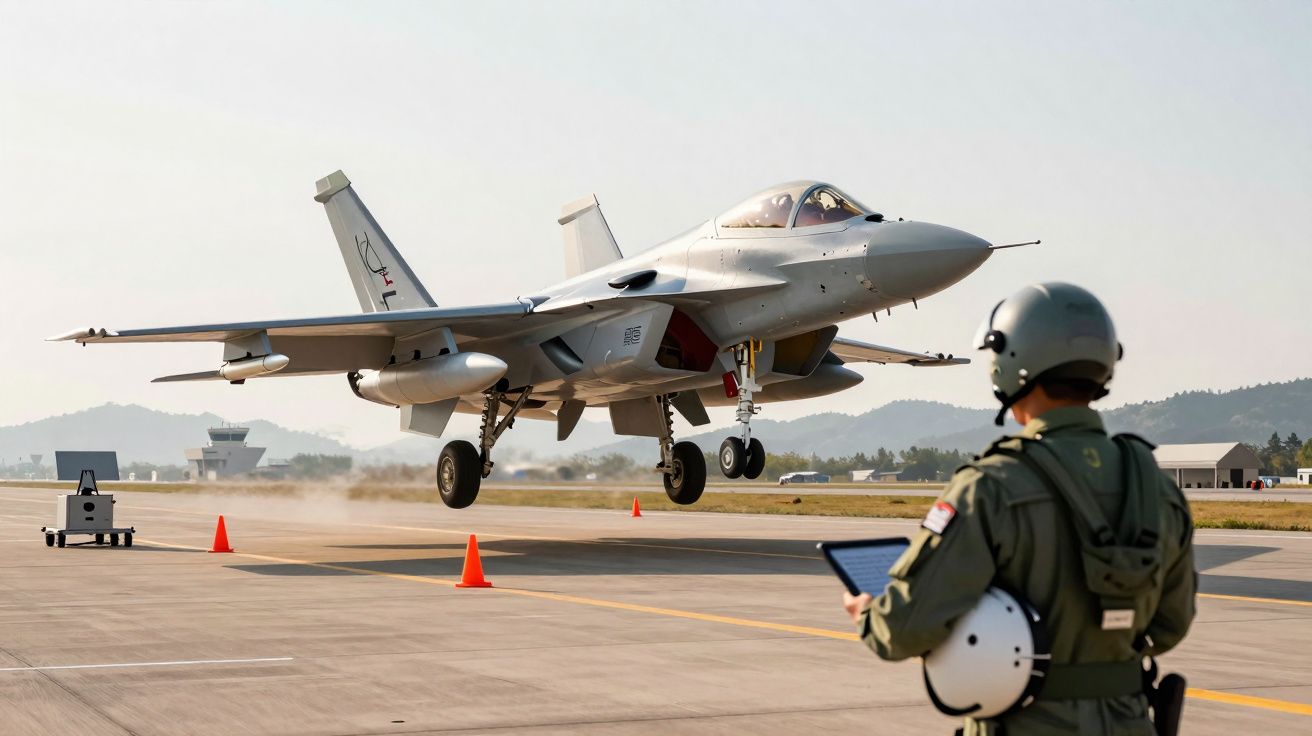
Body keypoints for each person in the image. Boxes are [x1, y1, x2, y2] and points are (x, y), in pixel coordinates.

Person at [842, 283, 1196, 735]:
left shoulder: (990, 486)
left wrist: (869, 614)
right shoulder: (1154, 484)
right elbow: (1170, 626)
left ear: (1008, 360)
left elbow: (904, 629)